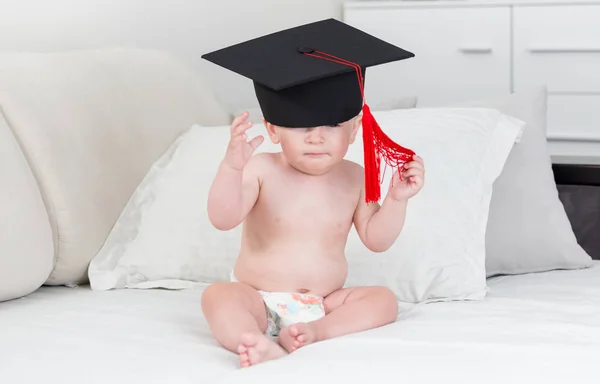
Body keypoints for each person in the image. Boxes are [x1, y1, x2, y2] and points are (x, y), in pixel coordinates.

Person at [200, 18, 425, 368]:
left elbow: (376, 239)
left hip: (324, 301)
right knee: (218, 297)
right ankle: (253, 340)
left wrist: (396, 200)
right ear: (274, 130)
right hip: (256, 297)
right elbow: (222, 218)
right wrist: (232, 168)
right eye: (302, 126)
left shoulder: (355, 177)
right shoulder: (262, 169)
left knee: (383, 301)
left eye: (333, 125)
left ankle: (316, 332)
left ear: (354, 131)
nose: (317, 137)